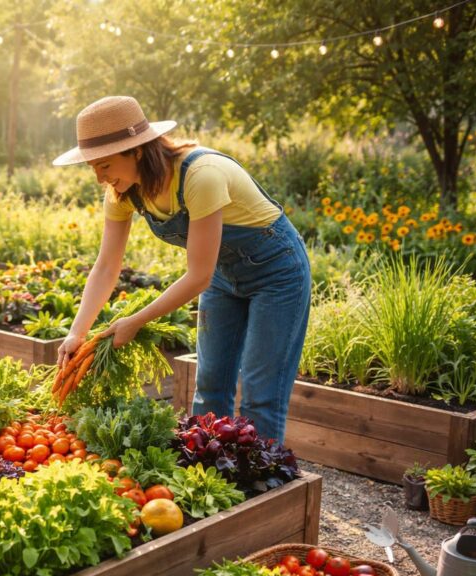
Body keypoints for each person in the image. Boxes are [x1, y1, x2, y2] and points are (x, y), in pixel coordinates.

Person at [52, 95, 310, 442]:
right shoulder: (123, 192)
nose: (100, 177)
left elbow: (198, 276)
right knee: (210, 385)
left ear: (136, 151)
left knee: (259, 395)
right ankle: (212, 471)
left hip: (277, 275)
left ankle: (261, 473)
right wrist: (76, 332)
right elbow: (107, 266)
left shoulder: (201, 175)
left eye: (105, 165)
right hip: (222, 274)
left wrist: (136, 320)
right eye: (93, 168)